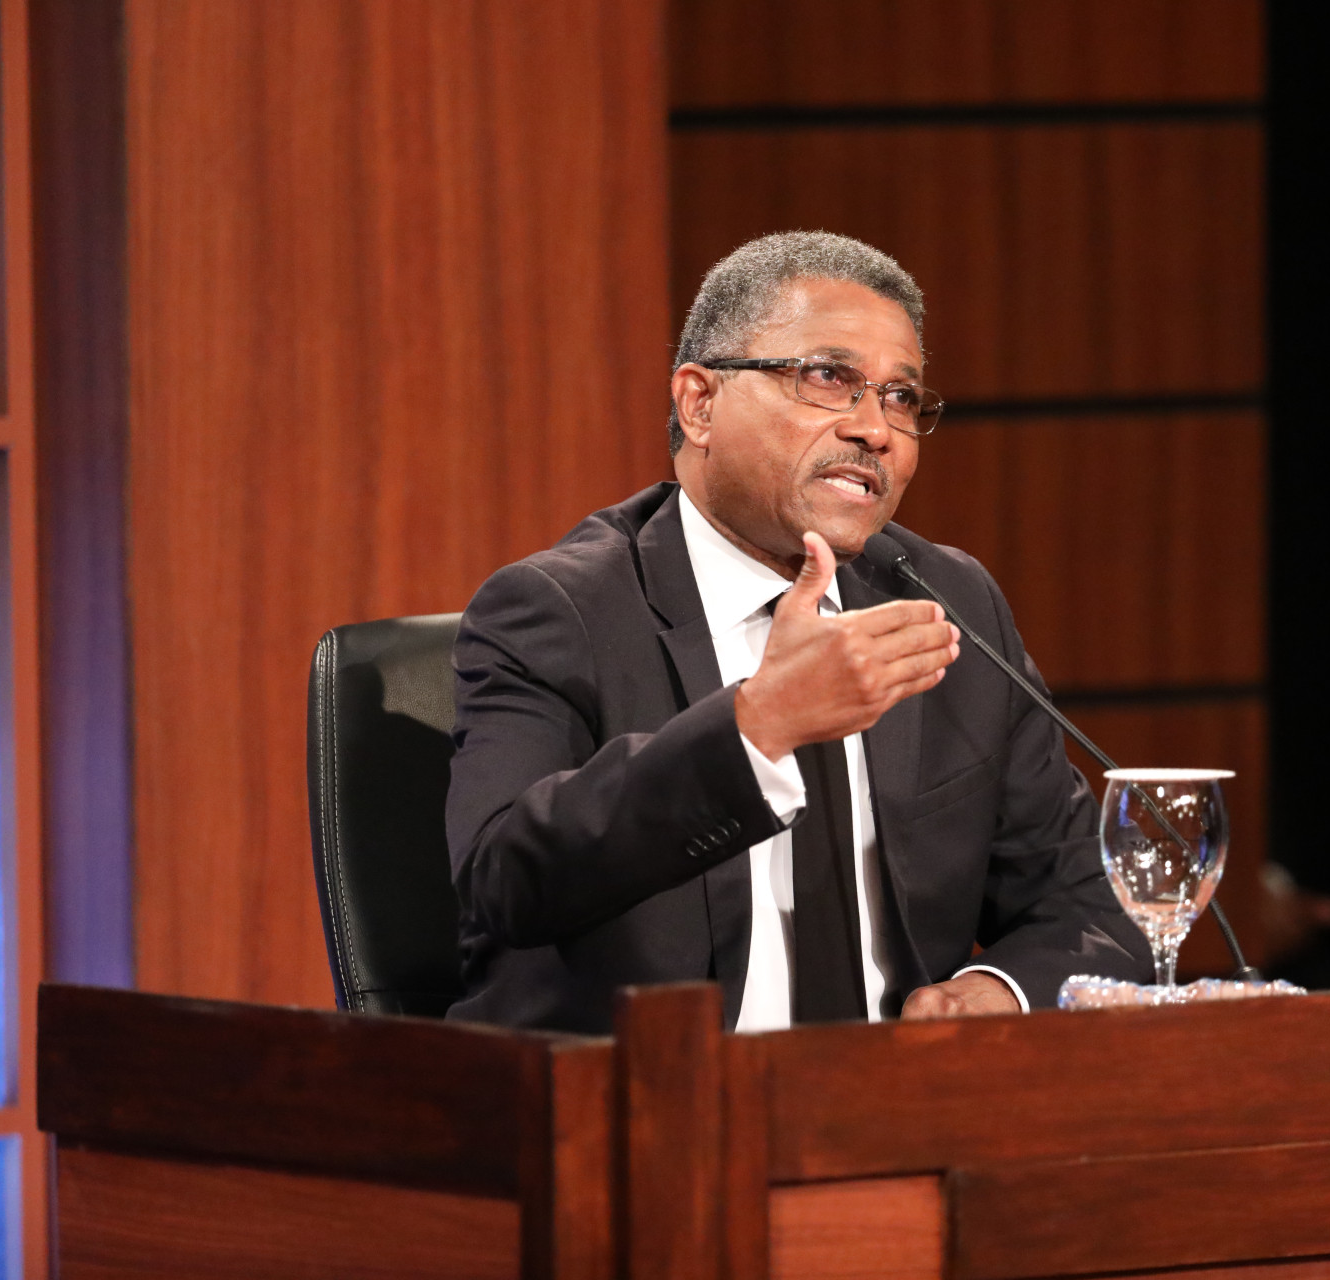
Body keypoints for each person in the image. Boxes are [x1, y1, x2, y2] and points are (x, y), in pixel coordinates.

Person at [445, 231, 1151, 1033]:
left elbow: (1092, 898)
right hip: (649, 1095)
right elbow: (504, 881)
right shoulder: (559, 610)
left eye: (901, 397)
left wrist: (995, 989)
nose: (875, 430)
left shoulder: (947, 603)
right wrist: (758, 726)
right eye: (828, 378)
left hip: (893, 1093)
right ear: (700, 404)